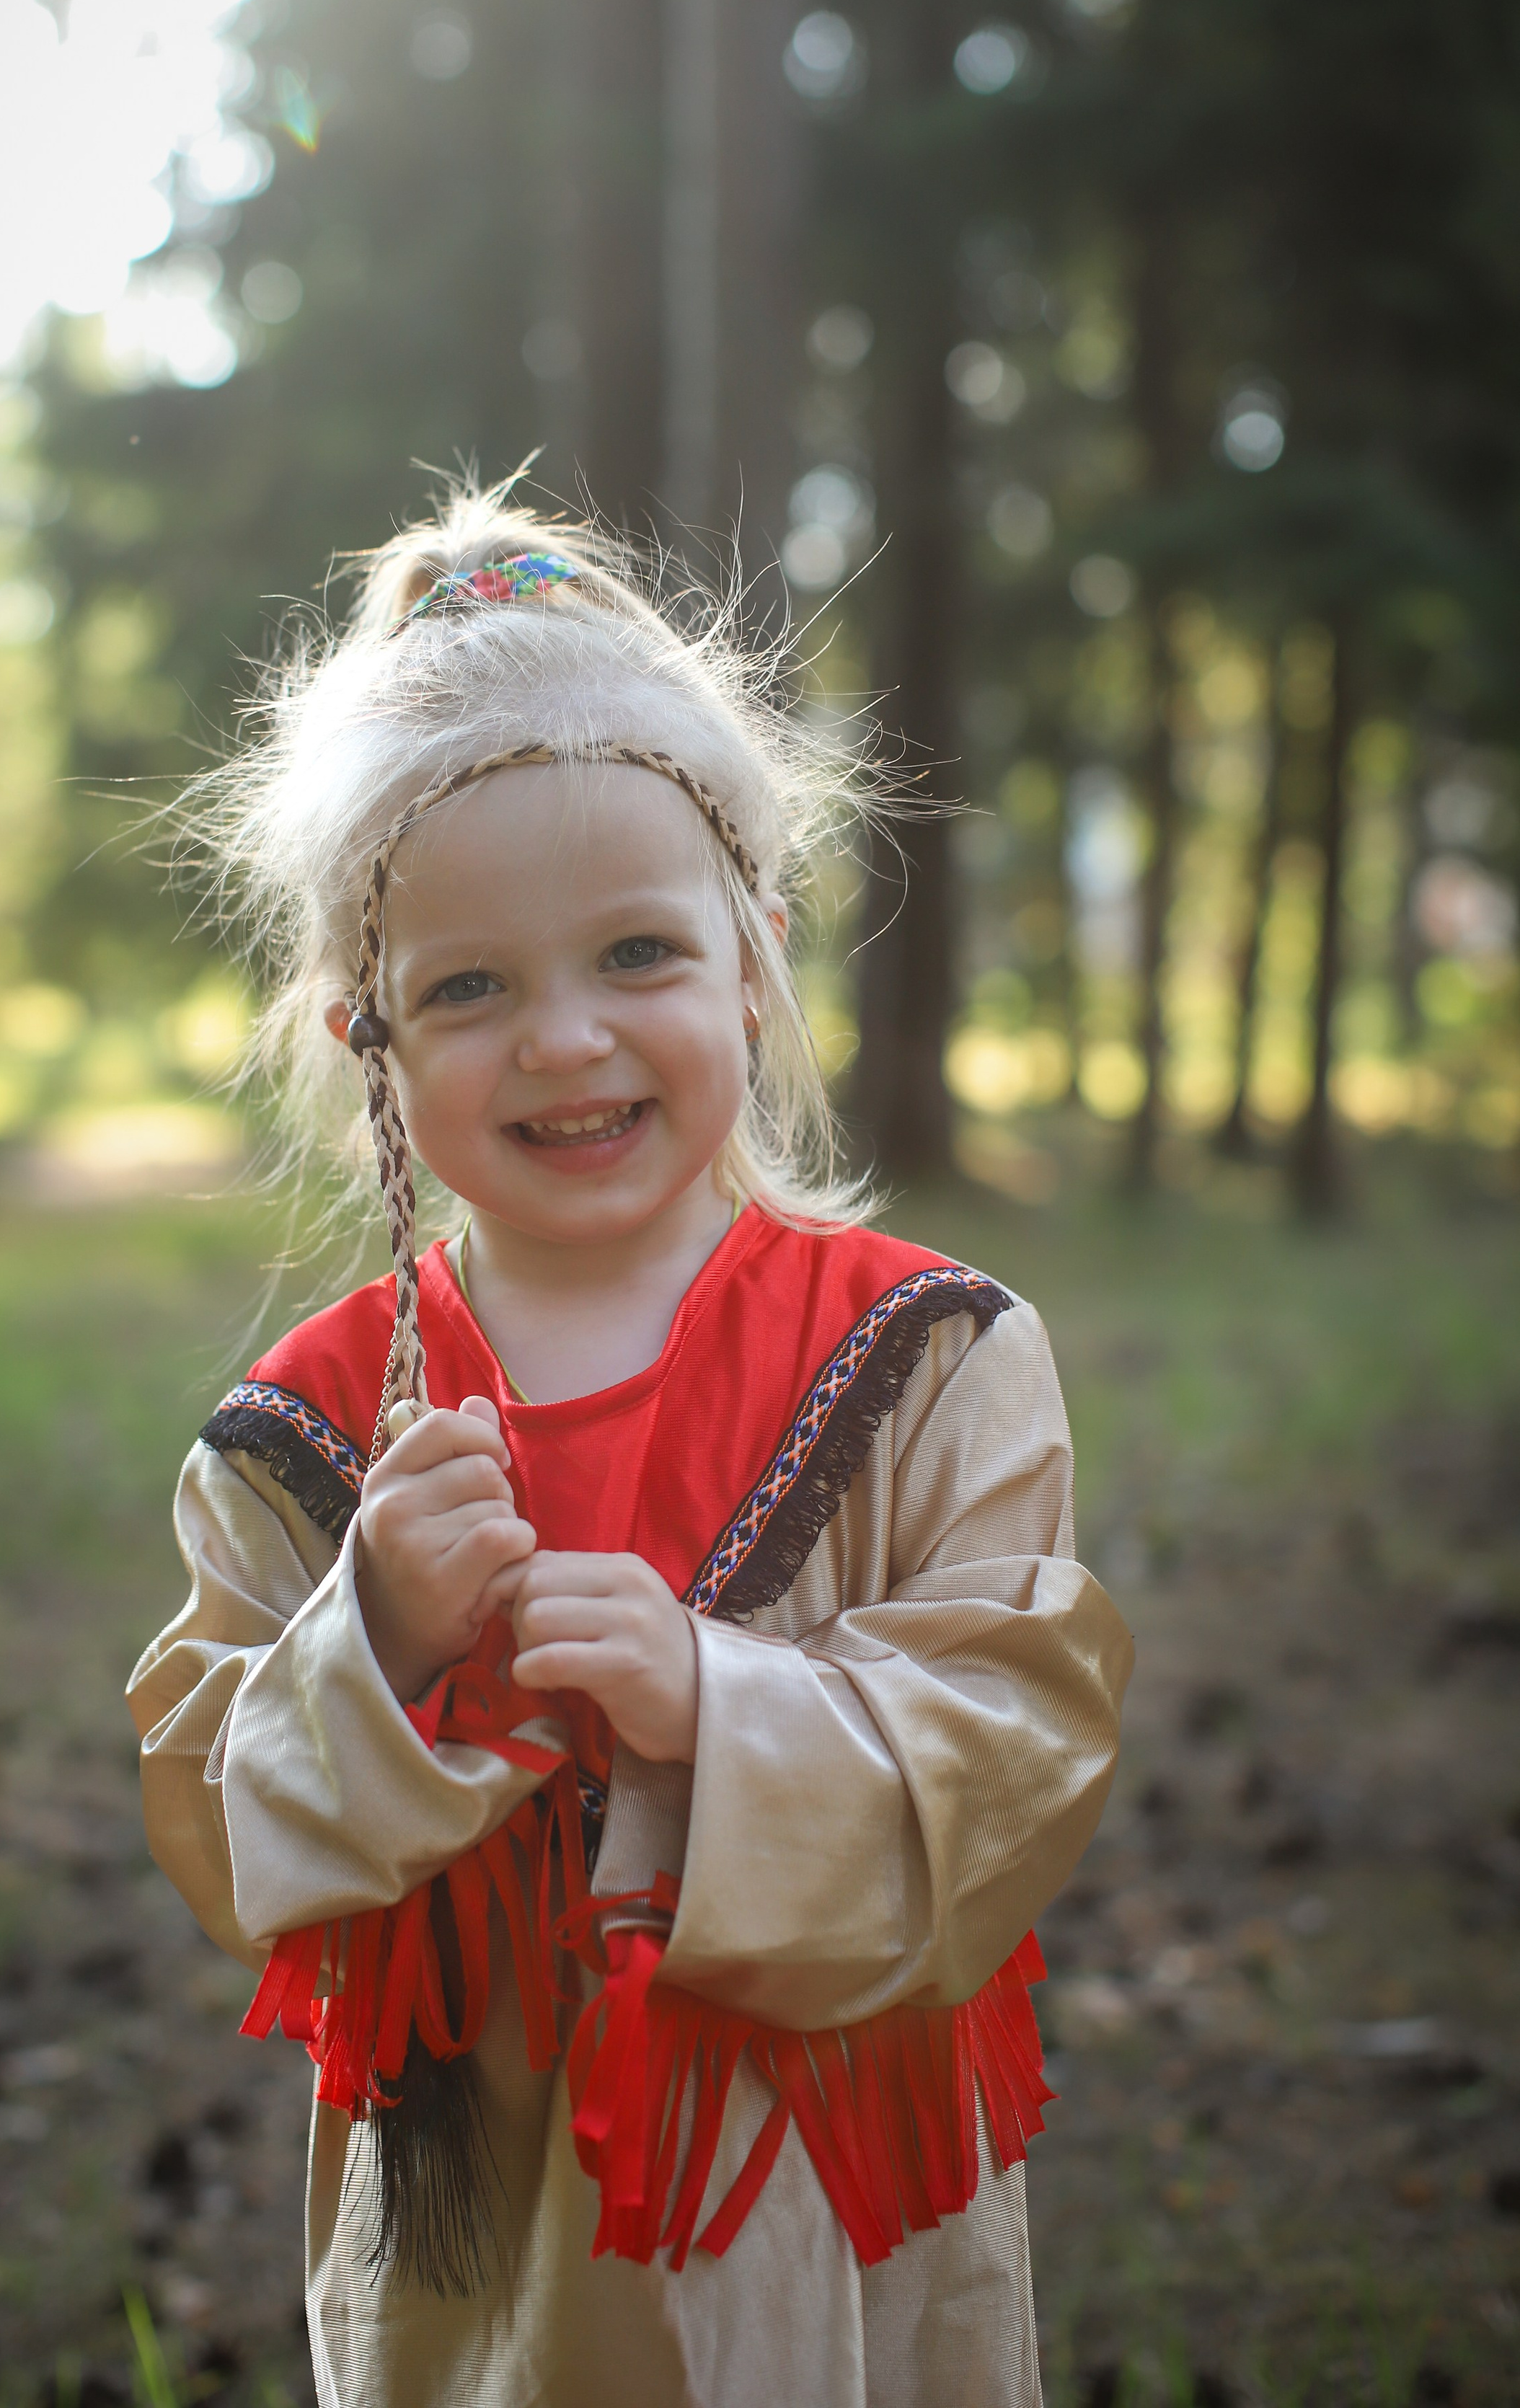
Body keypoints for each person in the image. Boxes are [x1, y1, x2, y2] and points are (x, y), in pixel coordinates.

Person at [128, 482, 1133, 2408]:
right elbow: (216, 1808)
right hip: (477, 2235)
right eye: (470, 989)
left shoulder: (931, 1358)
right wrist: (380, 1646)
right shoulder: (309, 1433)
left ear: (754, 958)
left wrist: (717, 1697)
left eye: (638, 957)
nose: (567, 1041)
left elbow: (1020, 1745)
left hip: (829, 2204)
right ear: (372, 1046)